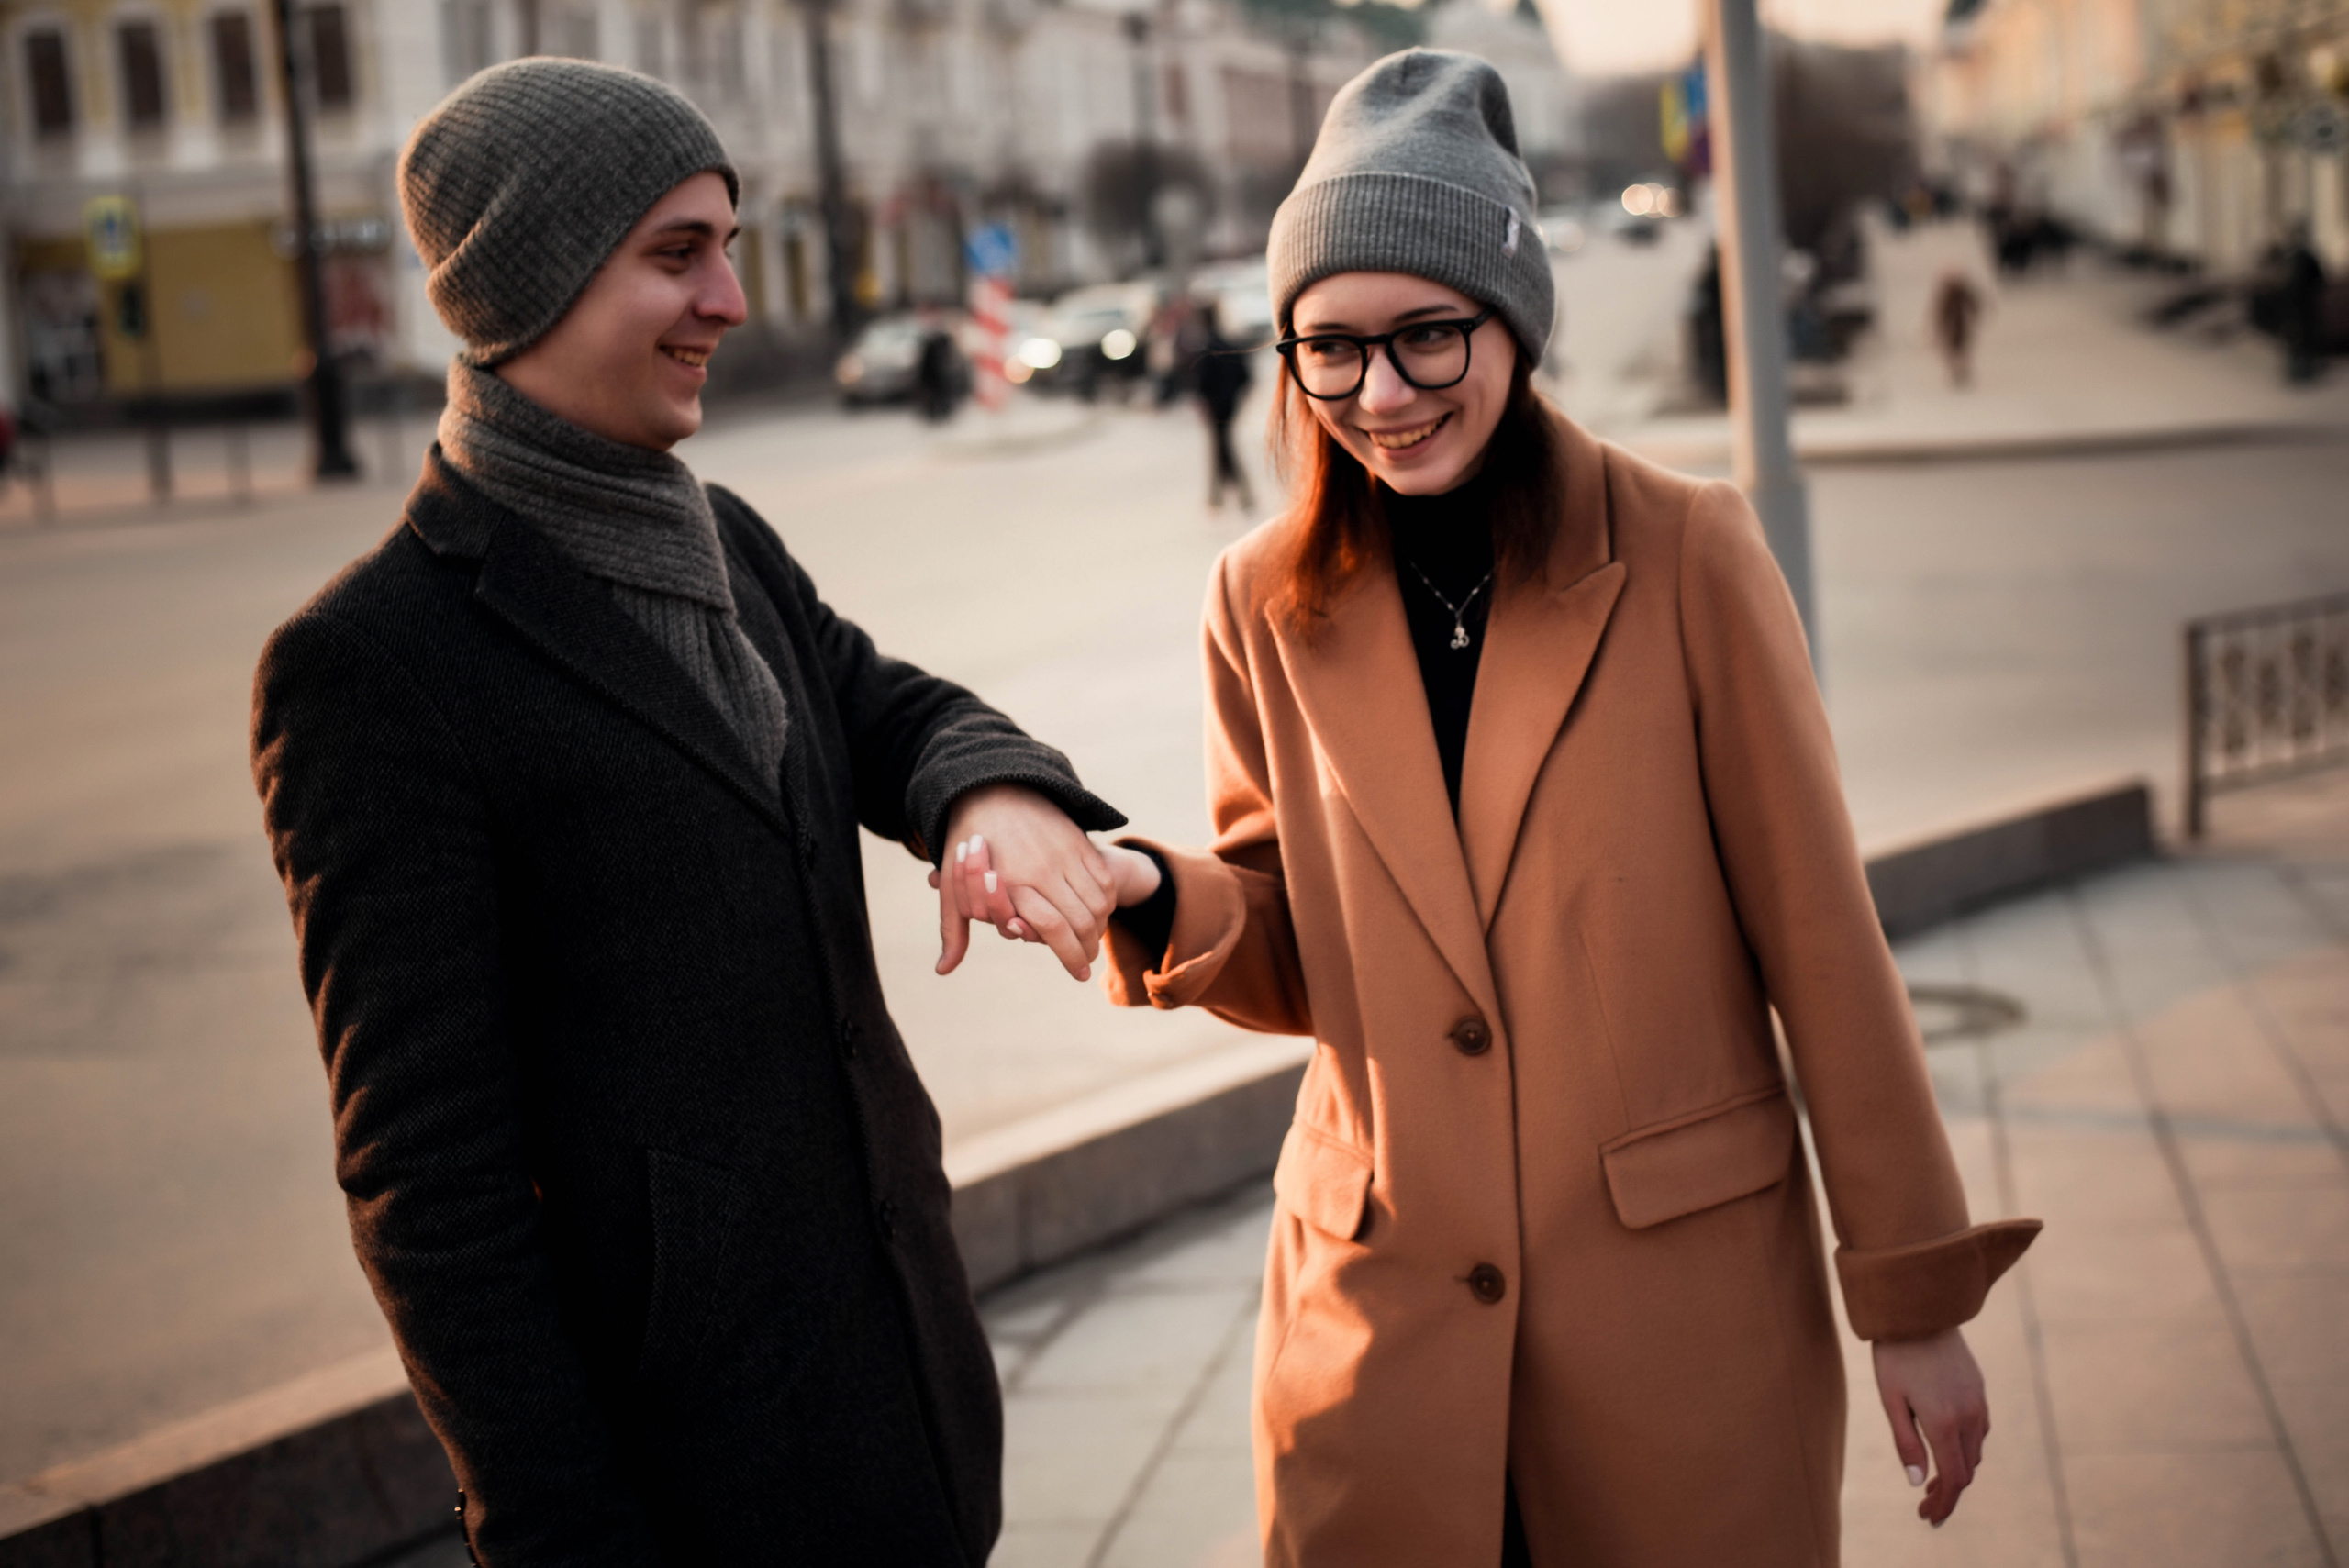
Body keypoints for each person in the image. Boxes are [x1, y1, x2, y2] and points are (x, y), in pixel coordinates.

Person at [992, 50, 2042, 1566]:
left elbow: (1823, 938)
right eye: (1328, 351)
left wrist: (1915, 1294)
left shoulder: (1688, 554)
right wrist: (1151, 893)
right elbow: (1293, 932)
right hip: (1377, 1328)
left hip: (1674, 1328)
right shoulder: (1258, 598)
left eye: (1429, 337)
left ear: (1514, 322)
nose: (1382, 395)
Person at [250, 61, 1122, 1566]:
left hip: (902, 1399)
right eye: (676, 253)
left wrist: (990, 787)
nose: (727, 294)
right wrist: (561, 1531)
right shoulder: (371, 666)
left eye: (726, 242)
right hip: (689, 1484)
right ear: (530, 278)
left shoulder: (716, 530)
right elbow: (429, 1185)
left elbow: (885, 706)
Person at [1195, 301, 1256, 512]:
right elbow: (1246, 377)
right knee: (1223, 449)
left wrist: (1206, 402)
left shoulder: (1209, 348)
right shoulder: (1229, 344)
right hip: (1229, 405)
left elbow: (1202, 383)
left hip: (1218, 406)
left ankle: (1225, 496)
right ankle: (1225, 496)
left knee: (1222, 450)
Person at [1932, 269, 1984, 388]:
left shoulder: (1959, 293)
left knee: (1960, 349)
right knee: (1955, 350)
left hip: (1960, 326)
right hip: (1953, 327)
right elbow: (1941, 312)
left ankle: (1961, 372)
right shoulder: (1950, 294)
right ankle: (1958, 373)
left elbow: (1973, 304)